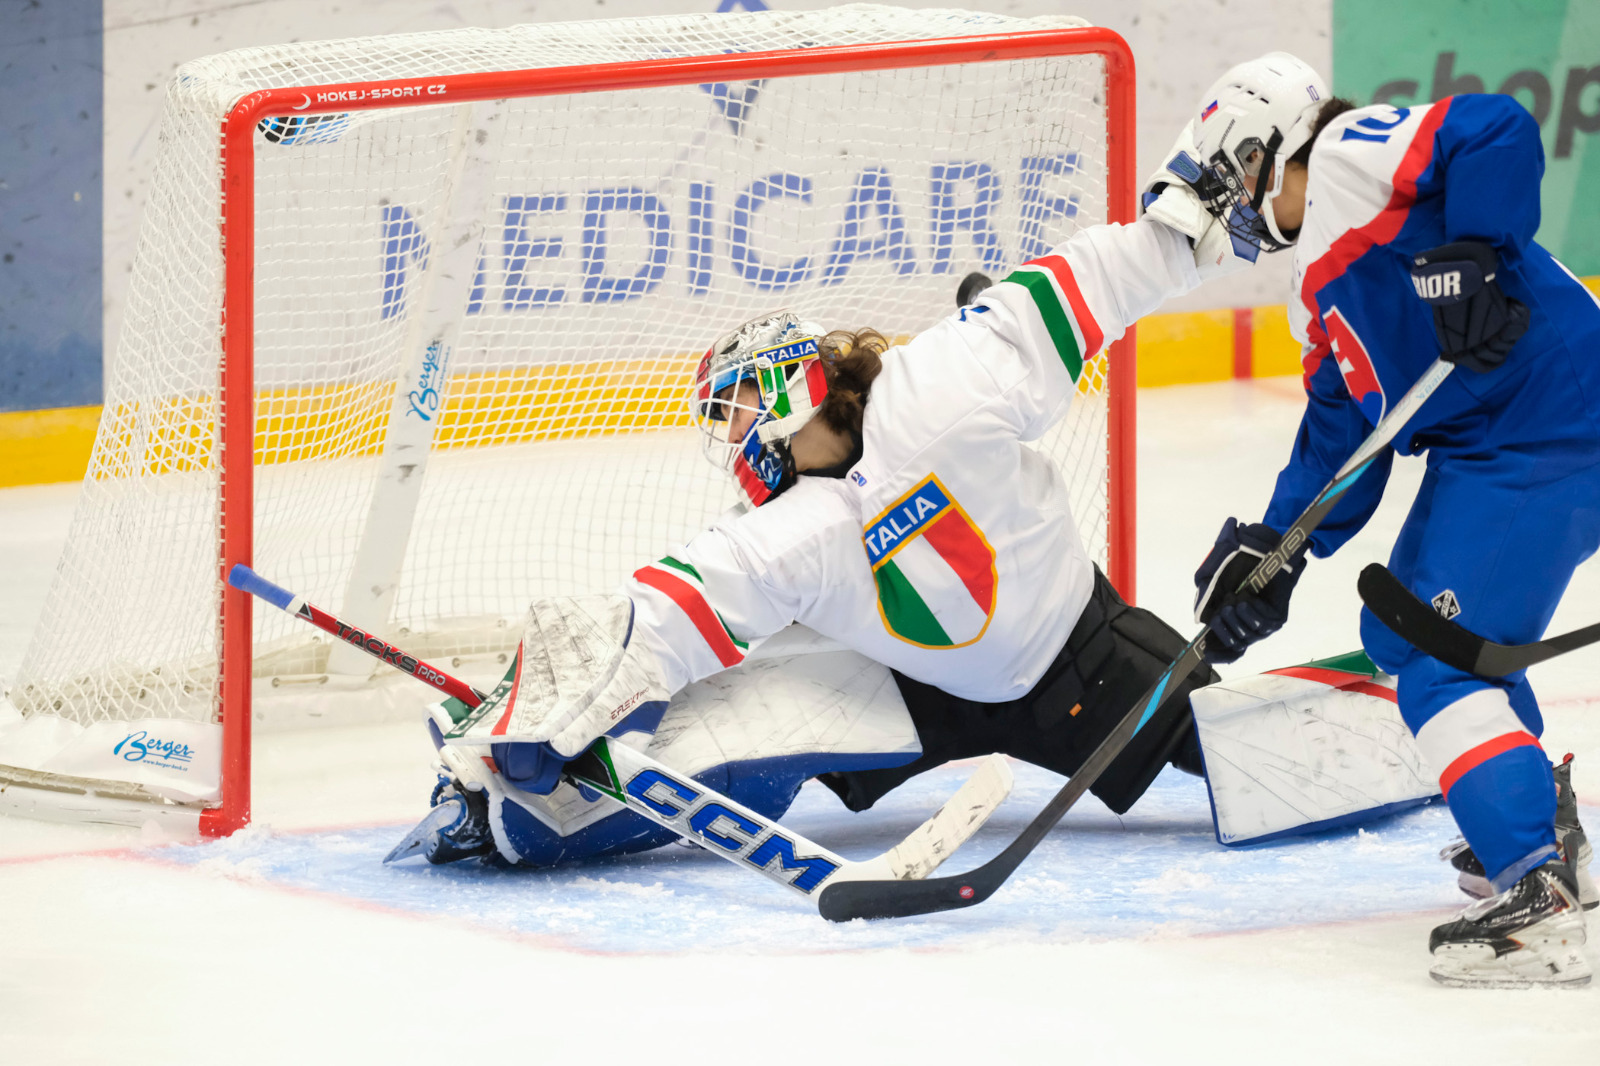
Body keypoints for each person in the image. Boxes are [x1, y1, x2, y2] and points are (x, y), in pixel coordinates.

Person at [386, 191, 1251, 873]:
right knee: (723, 741)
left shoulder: (941, 389)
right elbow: (662, 617)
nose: (727, 438)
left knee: (1240, 750)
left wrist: (1184, 229)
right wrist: (539, 712)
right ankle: (496, 816)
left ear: (792, 384)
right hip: (914, 687)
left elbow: (1080, 286)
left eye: (735, 410)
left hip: (1083, 652)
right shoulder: (784, 533)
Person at [1166, 52, 1597, 987]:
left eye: (1238, 175)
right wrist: (1274, 551)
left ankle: (1539, 898)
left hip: (1555, 423)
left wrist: (1475, 252)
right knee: (1402, 634)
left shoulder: (1353, 157)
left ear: (1274, 147)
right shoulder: (1317, 293)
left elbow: (1497, 127)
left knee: (1440, 661)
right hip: (1497, 444)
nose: (1236, 202)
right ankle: (1540, 827)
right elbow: (1343, 441)